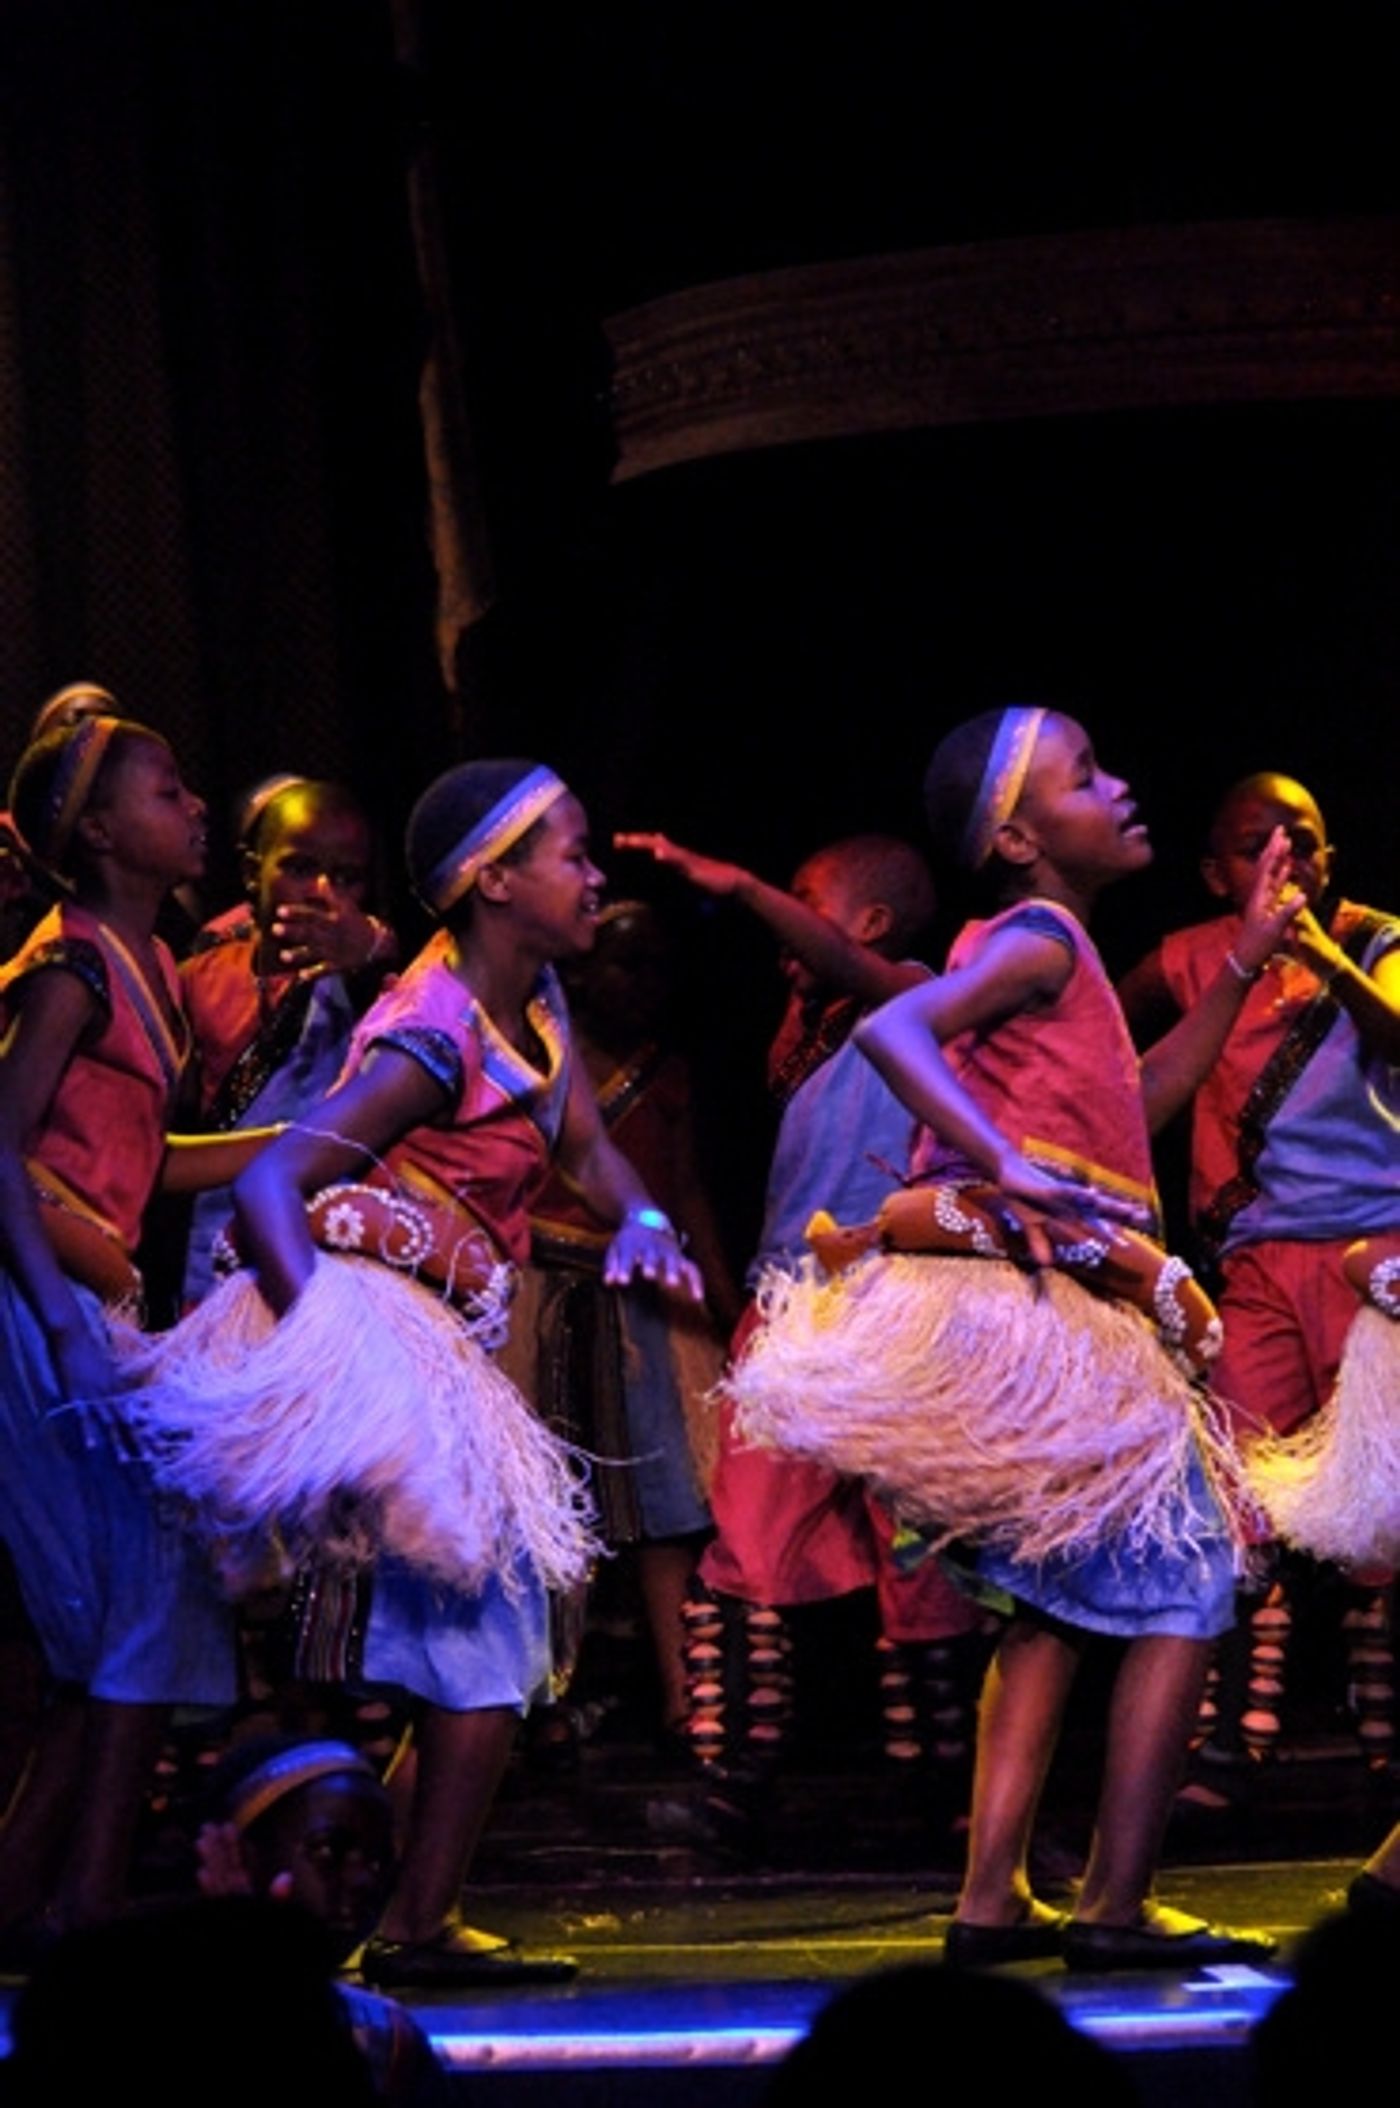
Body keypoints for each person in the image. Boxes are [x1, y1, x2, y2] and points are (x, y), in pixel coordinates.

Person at [723, 705, 1296, 1969]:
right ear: (1019, 837)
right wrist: (997, 1155)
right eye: (1083, 776)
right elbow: (888, 1030)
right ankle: (1112, 1902)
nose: (1118, 786)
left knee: (1048, 1602)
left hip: (1035, 1304)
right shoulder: (1039, 936)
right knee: (1190, 1579)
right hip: (1037, 1296)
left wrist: (1243, 963)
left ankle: (991, 1898)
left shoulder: (1044, 951)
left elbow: (1134, 1102)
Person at [119, 757, 704, 1987]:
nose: (593, 873)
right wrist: (339, 1358)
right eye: (569, 853)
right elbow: (273, 1184)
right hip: (376, 1326)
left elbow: (582, 1141)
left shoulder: (532, 999)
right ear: (494, 881)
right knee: (488, 1639)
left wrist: (644, 1217)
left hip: (441, 1335)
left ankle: (381, 1909)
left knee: (478, 1649)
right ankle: (407, 1917)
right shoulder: (433, 1036)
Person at [614, 829, 989, 1855]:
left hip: (891, 1298)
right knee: (746, 1541)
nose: (788, 940)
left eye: (806, 905)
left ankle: (952, 1788)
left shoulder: (911, 992)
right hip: (792, 1303)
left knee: (921, 1550)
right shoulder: (806, 1022)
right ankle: (731, 1781)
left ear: (870, 924)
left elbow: (845, 966)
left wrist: (738, 879)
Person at [0, 716, 275, 1946]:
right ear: (102, 832)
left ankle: (44, 1896)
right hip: (33, 1306)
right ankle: (86, 1898)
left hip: (75, 1303)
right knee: (138, 1595)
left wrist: (299, 1142)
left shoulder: (148, 961)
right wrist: (63, 1319)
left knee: (134, 1606)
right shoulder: (67, 968)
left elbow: (142, 1160)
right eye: (168, 792)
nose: (197, 804)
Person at [1118, 775, 1400, 1786]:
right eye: (1255, 845)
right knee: (1237, 1497)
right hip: (1253, 1265)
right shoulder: (1193, 956)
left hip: (1375, 1259)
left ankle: (1385, 1762)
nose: (1285, 857)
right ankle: (1229, 1748)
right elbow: (1098, 1037)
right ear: (1214, 873)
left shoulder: (1374, 939)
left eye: (1304, 839)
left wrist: (1315, 952)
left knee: (1385, 1510)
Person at [498, 897, 737, 1752]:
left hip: (644, 1311)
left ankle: (688, 1699)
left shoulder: (666, 1074)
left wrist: (723, 1303)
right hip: (542, 1300)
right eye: (624, 964)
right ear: (577, 971)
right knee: (549, 1509)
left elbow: (688, 1189)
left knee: (666, 1507)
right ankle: (537, 1699)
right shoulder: (533, 1064)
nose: (643, 985)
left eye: (657, 969)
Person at [193, 1735, 453, 2106]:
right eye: (328, 1850)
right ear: (235, 1855)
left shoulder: (386, 2038)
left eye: (378, 1859)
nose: (363, 1879)